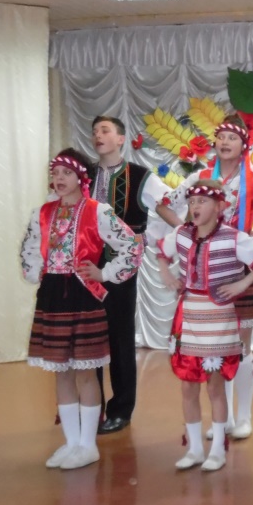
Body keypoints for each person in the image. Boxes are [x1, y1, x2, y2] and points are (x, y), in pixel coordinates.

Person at [164, 115, 253, 441]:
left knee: (240, 346)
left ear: (244, 145)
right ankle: (221, 420)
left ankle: (244, 417)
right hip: (206, 269)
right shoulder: (199, 177)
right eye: (221, 136)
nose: (225, 142)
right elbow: (164, 204)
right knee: (213, 346)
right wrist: (186, 232)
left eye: (232, 138)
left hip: (241, 266)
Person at [21, 148, 144, 470]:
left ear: (81, 178)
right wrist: (37, 272)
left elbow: (131, 245)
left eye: (67, 173)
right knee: (61, 372)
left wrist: (104, 273)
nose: (59, 179)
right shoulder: (43, 213)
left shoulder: (97, 211)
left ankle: (88, 445)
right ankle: (71, 442)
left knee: (85, 372)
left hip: (83, 295)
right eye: (56, 173)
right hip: (53, 296)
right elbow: (31, 247)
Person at [155, 179, 253, 472]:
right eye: (192, 201)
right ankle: (194, 449)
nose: (195, 206)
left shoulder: (233, 238)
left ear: (219, 206)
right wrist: (167, 275)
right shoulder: (182, 234)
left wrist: (242, 283)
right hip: (189, 313)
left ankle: (217, 450)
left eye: (202, 201)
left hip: (219, 316)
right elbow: (161, 251)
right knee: (188, 385)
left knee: (215, 385)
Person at [90, 115, 175, 435]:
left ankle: (121, 409)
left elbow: (167, 209)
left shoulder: (139, 176)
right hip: (85, 265)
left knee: (119, 335)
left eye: (105, 130)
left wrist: (188, 235)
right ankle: (90, 406)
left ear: (121, 139)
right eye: (95, 131)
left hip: (121, 265)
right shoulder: (84, 174)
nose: (98, 135)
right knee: (87, 336)